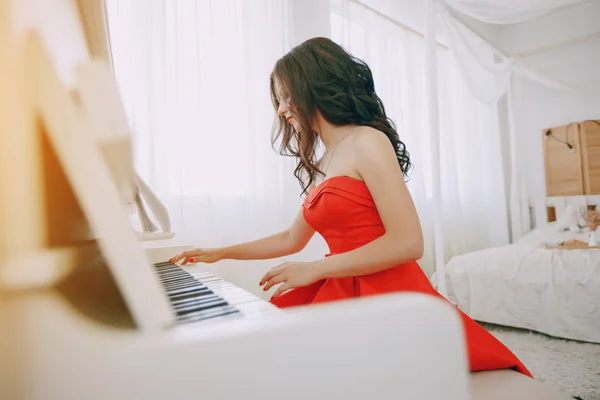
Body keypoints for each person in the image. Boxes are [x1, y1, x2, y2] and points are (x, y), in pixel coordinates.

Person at [170, 37, 532, 377]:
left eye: (284, 97)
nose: (281, 111)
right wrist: (221, 252)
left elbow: (408, 242)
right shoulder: (324, 160)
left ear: (313, 87)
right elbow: (290, 239)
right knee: (269, 352)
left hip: (386, 290)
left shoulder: (367, 141)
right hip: (341, 281)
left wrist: (315, 269)